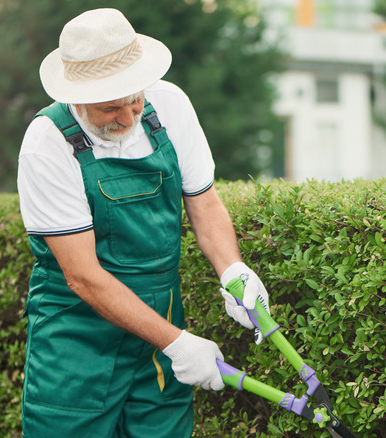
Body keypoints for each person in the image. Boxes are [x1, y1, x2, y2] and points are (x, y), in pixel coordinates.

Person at [16, 8, 270, 438]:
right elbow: (83, 276)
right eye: (110, 108)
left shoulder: (169, 103)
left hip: (160, 328)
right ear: (75, 98)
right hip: (77, 340)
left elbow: (204, 204)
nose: (130, 118)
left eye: (135, 100)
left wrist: (233, 270)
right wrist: (178, 342)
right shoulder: (47, 145)